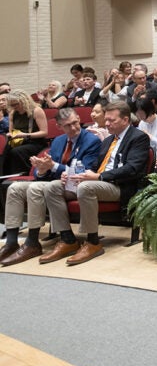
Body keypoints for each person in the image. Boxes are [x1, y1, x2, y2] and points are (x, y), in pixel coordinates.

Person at [40, 100, 151, 265]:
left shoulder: (138, 137)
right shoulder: (108, 141)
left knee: (86, 187)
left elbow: (132, 169)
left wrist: (99, 177)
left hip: (120, 186)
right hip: (98, 183)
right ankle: (67, 238)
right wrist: (72, 175)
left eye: (111, 120)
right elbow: (92, 166)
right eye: (106, 120)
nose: (106, 124)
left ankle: (92, 242)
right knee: (53, 187)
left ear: (126, 120)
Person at [1, 108, 101, 266]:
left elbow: (85, 171)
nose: (74, 127)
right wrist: (41, 170)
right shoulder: (58, 141)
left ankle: (32, 243)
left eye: (75, 123)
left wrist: (53, 166)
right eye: (68, 125)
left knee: (35, 189)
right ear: (60, 127)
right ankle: (11, 242)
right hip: (56, 182)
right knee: (14, 188)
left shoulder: (91, 140)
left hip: (76, 184)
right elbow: (48, 174)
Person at [2, 90, 49, 175]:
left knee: (16, 152)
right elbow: (11, 132)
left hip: (36, 142)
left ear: (24, 101)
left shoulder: (36, 111)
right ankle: (4, 176)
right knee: (4, 151)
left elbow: (44, 132)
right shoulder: (13, 113)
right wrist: (10, 135)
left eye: (16, 104)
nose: (14, 107)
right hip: (19, 141)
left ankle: (23, 174)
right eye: (12, 105)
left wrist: (25, 135)